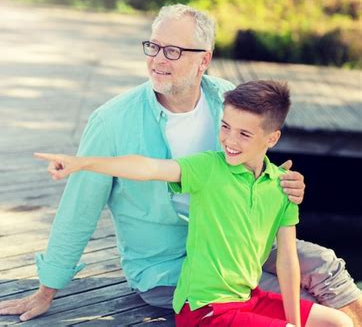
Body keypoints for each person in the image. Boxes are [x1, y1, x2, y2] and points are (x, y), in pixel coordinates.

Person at [0, 4, 361, 322]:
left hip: (238, 241)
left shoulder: (225, 99)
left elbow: (254, 162)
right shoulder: (113, 120)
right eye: (153, 47)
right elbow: (79, 208)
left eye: (172, 51)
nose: (156, 59)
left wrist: (285, 182)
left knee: (325, 264)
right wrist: (47, 289)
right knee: (307, 309)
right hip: (170, 266)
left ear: (204, 59)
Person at [33, 80, 353, 326]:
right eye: (225, 127)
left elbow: (287, 261)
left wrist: (294, 321)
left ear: (272, 139)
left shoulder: (280, 186)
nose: (229, 140)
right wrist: (83, 163)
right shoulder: (207, 168)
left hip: (248, 298)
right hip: (204, 309)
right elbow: (148, 168)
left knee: (338, 321)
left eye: (244, 134)